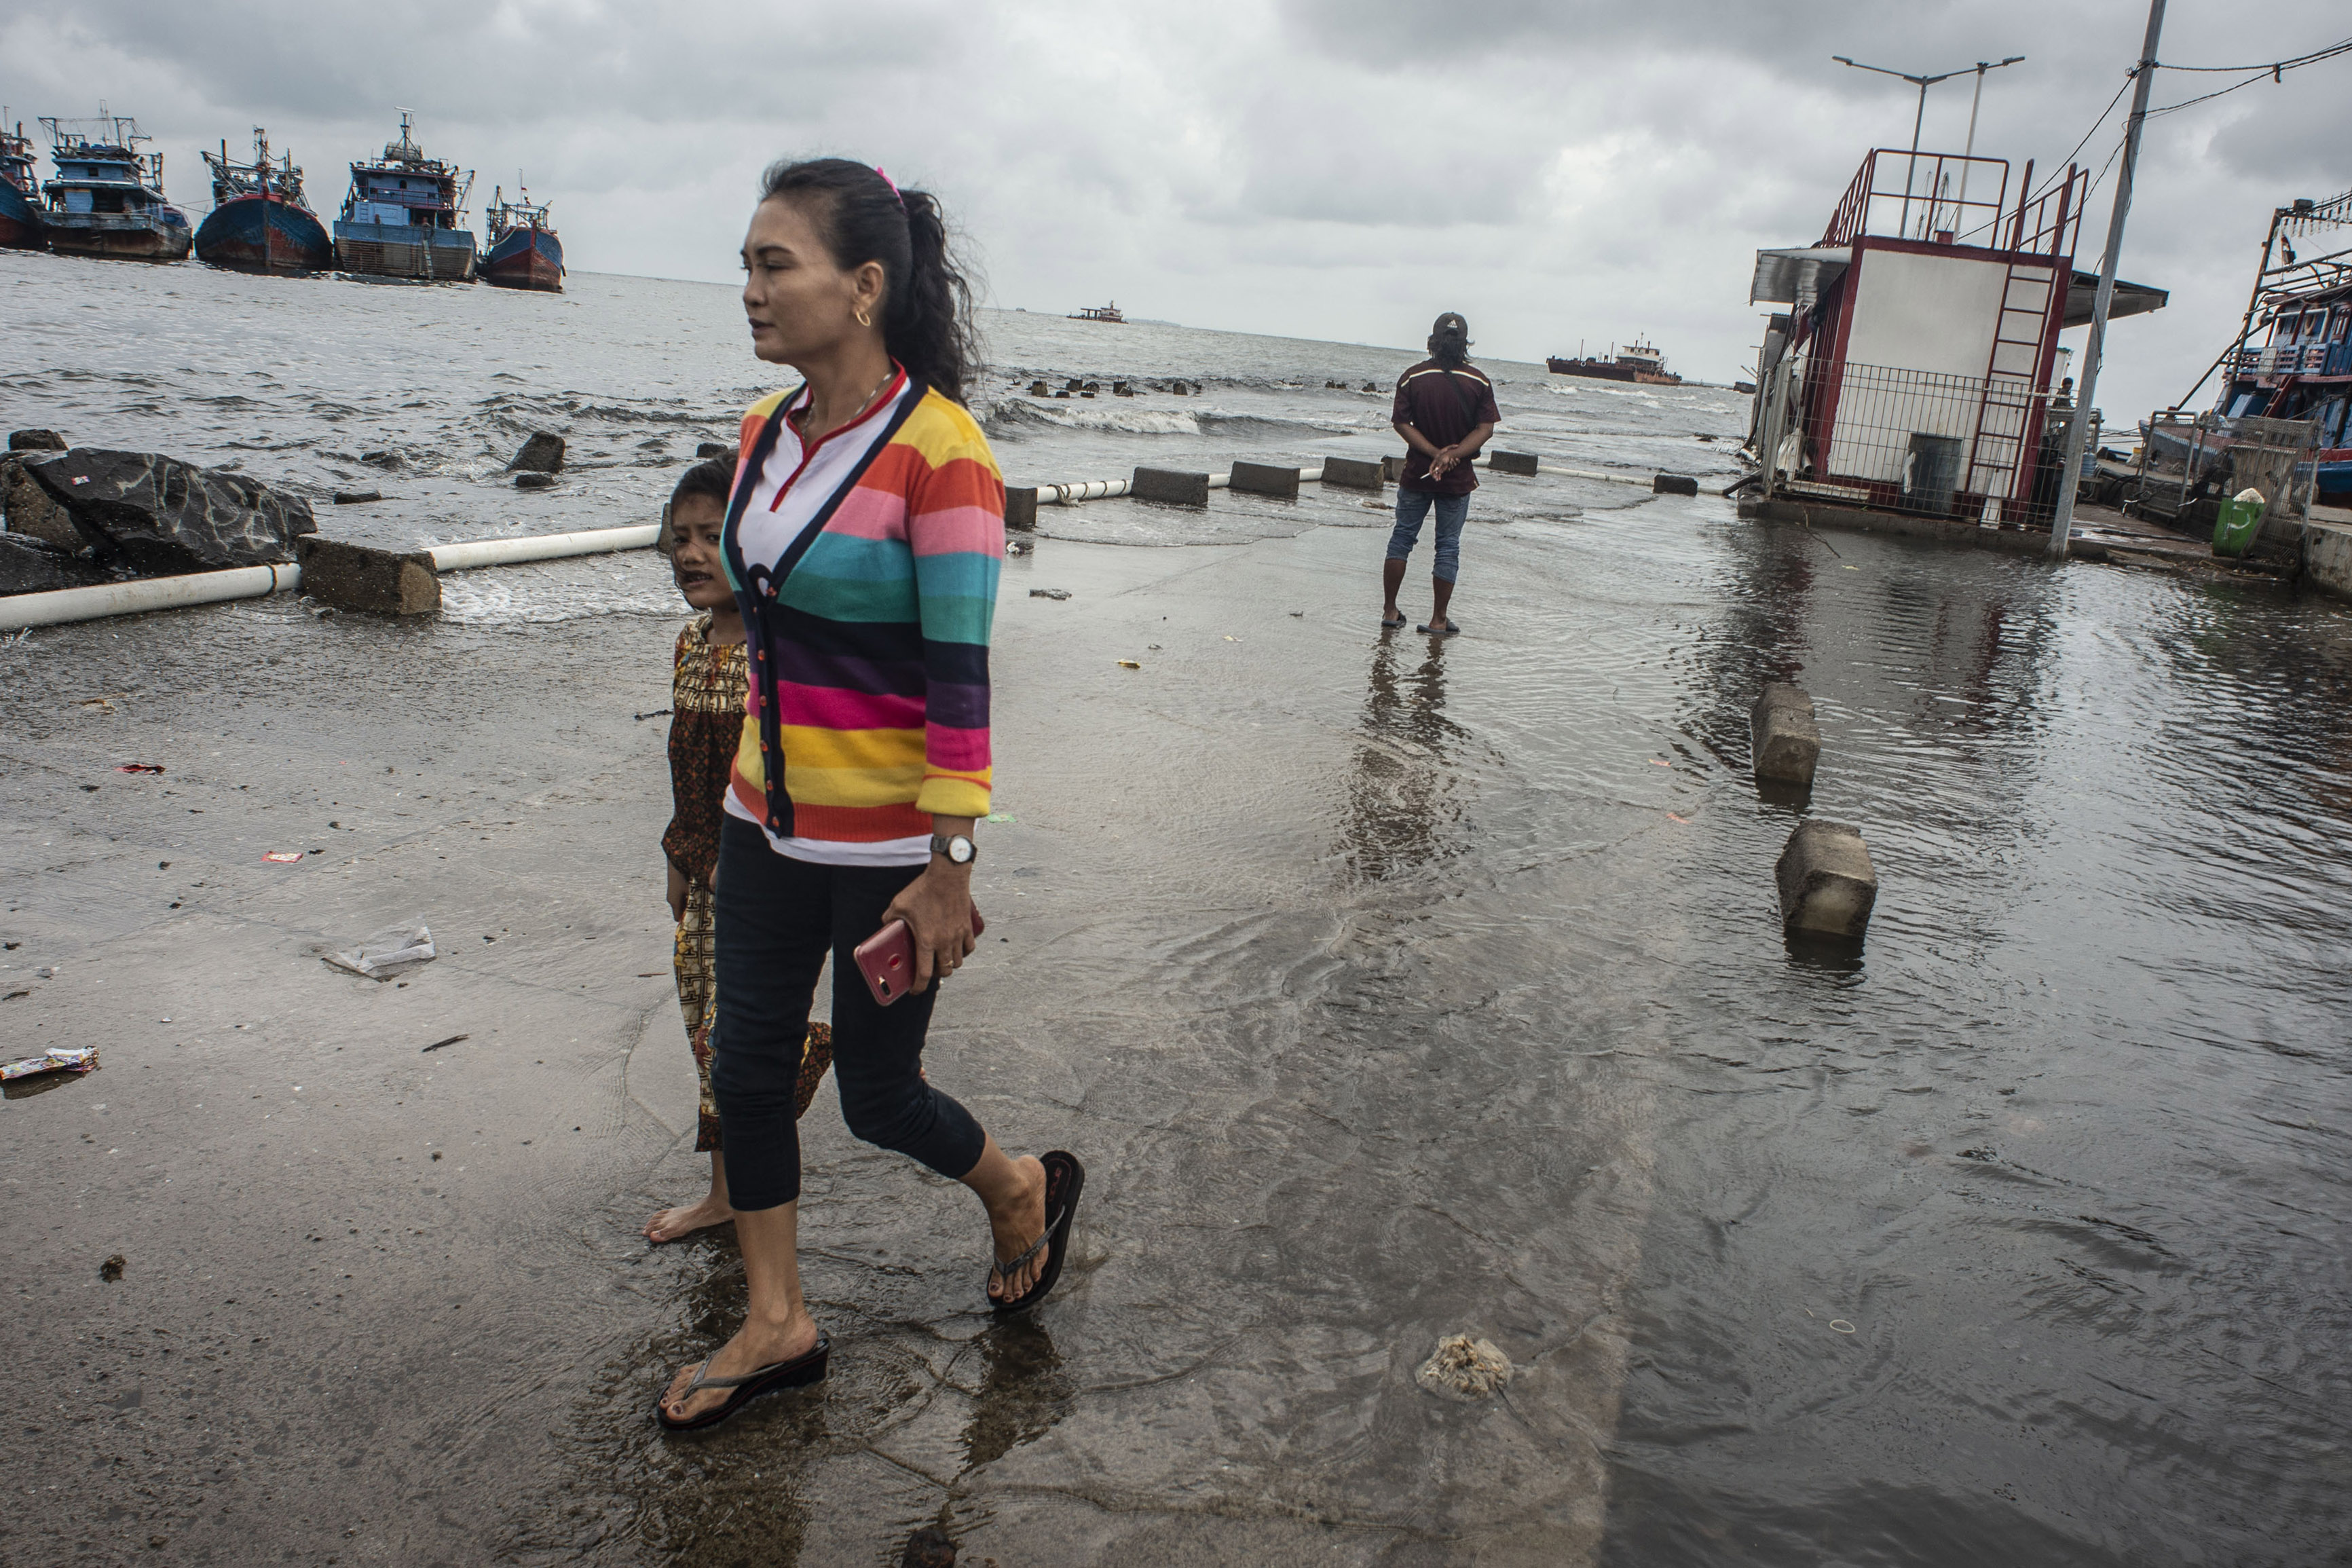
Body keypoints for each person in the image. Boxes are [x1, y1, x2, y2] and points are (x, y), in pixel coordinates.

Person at [657, 158, 1085, 1433]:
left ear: (863, 286)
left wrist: (950, 866)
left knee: (880, 1099)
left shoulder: (943, 454)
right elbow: (761, 620)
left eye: (773, 264)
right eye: (745, 264)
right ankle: (778, 1319)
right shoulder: (758, 433)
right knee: (746, 1069)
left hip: (892, 847)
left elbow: (959, 676)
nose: (751, 289)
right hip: (764, 819)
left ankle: (1015, 1187)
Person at [644, 456, 834, 1246]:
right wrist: (677, 860)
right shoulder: (690, 643)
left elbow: (800, 768)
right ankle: (726, 1193)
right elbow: (685, 763)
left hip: (761, 879)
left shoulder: (775, 645)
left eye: (710, 536)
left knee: (735, 1047)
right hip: (699, 868)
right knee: (702, 1030)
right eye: (679, 538)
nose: (691, 554)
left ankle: (802, 1059)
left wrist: (761, 866)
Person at [1383, 312, 1499, 637]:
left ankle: (1390, 611)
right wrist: (1452, 456)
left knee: (1402, 539)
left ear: (1432, 341)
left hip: (1417, 473)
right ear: (1465, 344)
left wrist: (1434, 454)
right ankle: (1438, 620)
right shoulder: (1479, 381)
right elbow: (1485, 429)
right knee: (1447, 546)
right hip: (1457, 478)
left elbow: (1401, 423)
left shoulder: (1413, 377)